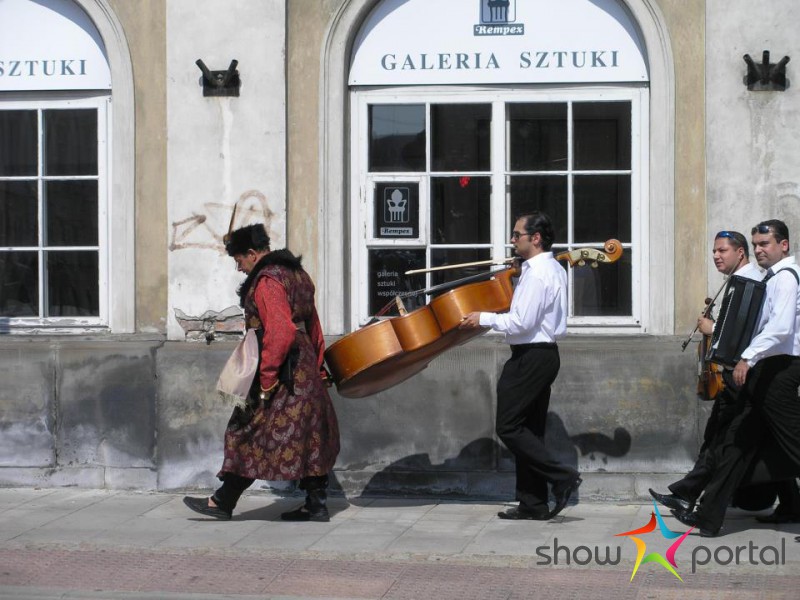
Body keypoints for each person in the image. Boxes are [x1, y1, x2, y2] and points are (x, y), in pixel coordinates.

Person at [184, 224, 340, 522]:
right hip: (304, 367)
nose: (239, 267)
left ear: (253, 254)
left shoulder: (268, 281)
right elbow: (314, 326)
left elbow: (280, 332)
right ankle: (316, 505)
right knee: (309, 436)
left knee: (246, 431)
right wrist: (318, 366)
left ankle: (223, 501)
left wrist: (267, 380)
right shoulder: (298, 275)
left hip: (283, 371)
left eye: (239, 260)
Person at [673, 220, 800, 536]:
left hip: (779, 370)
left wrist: (748, 356)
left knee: (789, 443)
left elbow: (780, 328)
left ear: (783, 245)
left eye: (765, 244)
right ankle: (708, 517)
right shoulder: (772, 279)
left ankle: (709, 507)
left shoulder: (785, 279)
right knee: (738, 443)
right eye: (756, 244)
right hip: (768, 368)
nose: (759, 250)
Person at [459, 212, 581, 520]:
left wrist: (482, 317)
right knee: (530, 430)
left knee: (509, 427)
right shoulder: (549, 268)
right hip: (543, 354)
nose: (512, 240)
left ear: (535, 238)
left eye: (517, 235)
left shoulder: (539, 273)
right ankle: (533, 503)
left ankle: (561, 476)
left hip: (531, 356)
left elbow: (520, 322)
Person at [649, 231, 762, 517]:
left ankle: (689, 495)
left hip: (741, 377)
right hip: (735, 377)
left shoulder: (748, 283)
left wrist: (713, 330)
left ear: (740, 253)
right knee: (721, 440)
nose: (716, 256)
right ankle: (791, 503)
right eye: (714, 251)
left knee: (720, 443)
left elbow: (744, 333)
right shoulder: (736, 282)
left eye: (722, 250)